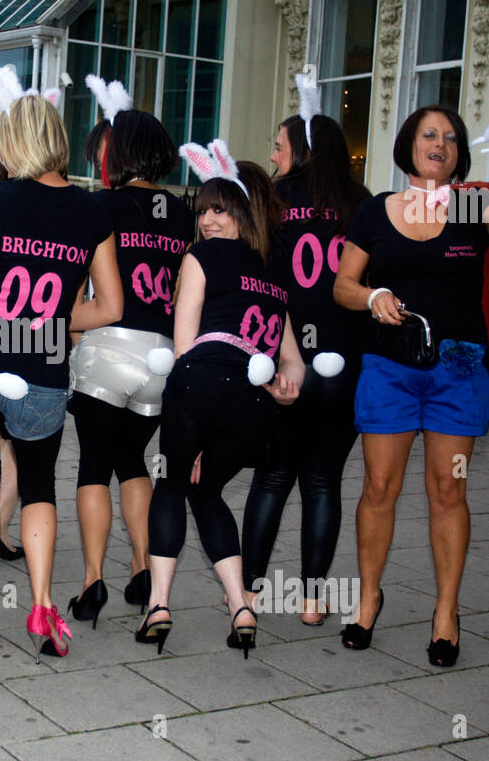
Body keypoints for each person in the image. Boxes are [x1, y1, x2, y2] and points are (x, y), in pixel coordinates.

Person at [332, 104, 489, 667]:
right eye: (430, 134)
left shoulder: (474, 206)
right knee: (380, 488)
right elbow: (342, 286)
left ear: (459, 155)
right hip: (388, 368)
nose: (440, 143)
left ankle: (446, 611)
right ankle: (368, 597)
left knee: (448, 491)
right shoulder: (375, 213)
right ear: (409, 145)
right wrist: (372, 296)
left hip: (456, 370)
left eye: (451, 138)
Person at [0, 92, 122, 661]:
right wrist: (49, 322)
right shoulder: (94, 210)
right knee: (40, 482)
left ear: (10, 141)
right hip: (42, 365)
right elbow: (111, 306)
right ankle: (43, 608)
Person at [138, 156, 302, 659]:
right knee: (205, 491)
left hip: (200, 384)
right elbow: (293, 362)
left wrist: (191, 414)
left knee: (170, 484)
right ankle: (241, 606)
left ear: (244, 214)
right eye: (204, 211)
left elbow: (185, 344)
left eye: (221, 211)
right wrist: (286, 388)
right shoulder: (274, 277)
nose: (208, 221)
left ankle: (159, 605)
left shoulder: (199, 257)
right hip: (255, 406)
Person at [241, 113, 371, 624]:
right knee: (324, 480)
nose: (273, 155)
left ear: (301, 148)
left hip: (283, 355)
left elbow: (253, 278)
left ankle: (248, 595)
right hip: (344, 361)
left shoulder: (272, 201)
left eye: (279, 146)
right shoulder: (362, 203)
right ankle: (314, 600)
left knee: (272, 477)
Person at [67, 109, 194, 627]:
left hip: (109, 346)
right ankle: (143, 569)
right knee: (134, 459)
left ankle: (92, 578)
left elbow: (78, 283)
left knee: (94, 464)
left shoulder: (99, 207)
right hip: (163, 355)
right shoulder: (185, 214)